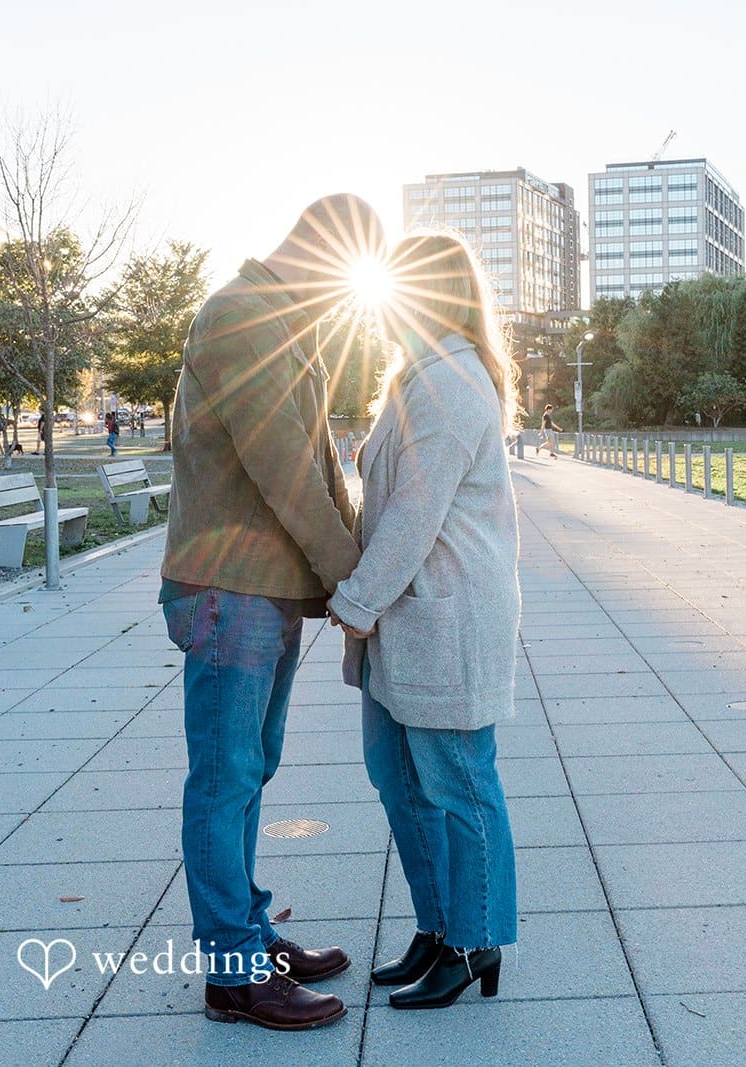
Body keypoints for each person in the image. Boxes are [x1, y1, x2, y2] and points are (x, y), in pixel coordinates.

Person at [160, 193, 386, 1033]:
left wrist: (345, 580)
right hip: (228, 588)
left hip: (265, 588)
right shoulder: (240, 316)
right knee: (224, 776)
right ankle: (231, 970)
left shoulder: (290, 324)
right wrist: (350, 582)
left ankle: (248, 930)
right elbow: (285, 468)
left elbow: (323, 460)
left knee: (249, 768)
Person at [328, 232, 520, 1011]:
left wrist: (355, 603)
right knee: (400, 779)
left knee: (460, 784)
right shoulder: (418, 376)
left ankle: (476, 940)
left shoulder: (450, 384)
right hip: (406, 621)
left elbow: (411, 517)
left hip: (445, 620)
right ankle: (439, 927)